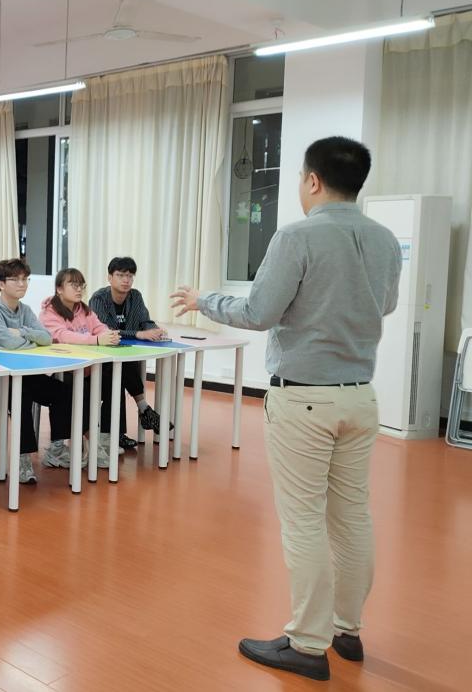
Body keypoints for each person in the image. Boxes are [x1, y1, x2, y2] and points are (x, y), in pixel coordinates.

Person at [171, 137, 401, 682]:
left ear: (313, 180)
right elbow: (386, 304)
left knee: (304, 521)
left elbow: (259, 311)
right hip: (360, 397)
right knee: (352, 516)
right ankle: (347, 629)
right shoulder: (385, 239)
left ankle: (306, 643)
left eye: (300, 177)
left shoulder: (297, 236)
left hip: (304, 399)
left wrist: (204, 301)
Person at [0, 258, 75, 482]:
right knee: (22, 396)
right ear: (1, 284)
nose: (22, 284)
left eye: (25, 279)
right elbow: (9, 344)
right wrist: (30, 339)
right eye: (16, 279)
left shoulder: (25, 309)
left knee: (63, 392)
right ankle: (22, 459)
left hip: (24, 371)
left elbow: (46, 338)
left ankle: (57, 449)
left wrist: (21, 332)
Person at [39, 268, 121, 467]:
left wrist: (108, 335)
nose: (79, 289)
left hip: (85, 367)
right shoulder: (49, 311)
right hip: (59, 370)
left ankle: (103, 437)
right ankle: (88, 443)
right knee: (78, 388)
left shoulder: (84, 309)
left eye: (81, 285)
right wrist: (96, 340)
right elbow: (62, 336)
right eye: (73, 285)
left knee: (116, 375)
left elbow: (99, 327)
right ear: (59, 288)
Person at [89, 256, 168, 447]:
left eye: (130, 276)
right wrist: (138, 334)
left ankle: (122, 430)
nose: (126, 280)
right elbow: (106, 330)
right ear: (110, 277)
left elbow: (145, 320)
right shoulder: (99, 299)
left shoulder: (135, 296)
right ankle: (144, 409)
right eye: (120, 275)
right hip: (101, 356)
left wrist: (154, 329)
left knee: (124, 365)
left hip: (125, 354)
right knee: (119, 370)